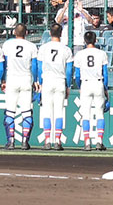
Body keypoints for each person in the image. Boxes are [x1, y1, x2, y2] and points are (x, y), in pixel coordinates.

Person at [1, 23, 38, 149]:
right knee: (27, 111)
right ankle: (25, 141)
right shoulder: (31, 46)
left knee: (10, 111)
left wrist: (3, 80)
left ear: (14, 32)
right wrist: (35, 80)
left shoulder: (7, 44)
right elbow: (34, 66)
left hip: (12, 78)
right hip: (26, 78)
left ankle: (10, 141)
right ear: (26, 33)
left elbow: (4, 63)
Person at [36, 22, 72, 150]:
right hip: (60, 81)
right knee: (58, 112)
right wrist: (68, 85)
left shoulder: (43, 48)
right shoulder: (66, 49)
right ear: (61, 34)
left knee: (47, 111)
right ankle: (57, 141)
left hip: (47, 81)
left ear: (50, 33)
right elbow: (69, 70)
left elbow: (39, 68)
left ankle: (47, 141)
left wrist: (39, 83)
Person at [73, 30, 109, 151]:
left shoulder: (79, 54)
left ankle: (87, 142)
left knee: (85, 114)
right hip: (98, 82)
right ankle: (99, 141)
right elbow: (106, 74)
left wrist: (79, 86)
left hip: (86, 83)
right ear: (95, 40)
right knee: (100, 114)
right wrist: (105, 88)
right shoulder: (101, 53)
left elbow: (77, 75)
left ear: (84, 41)